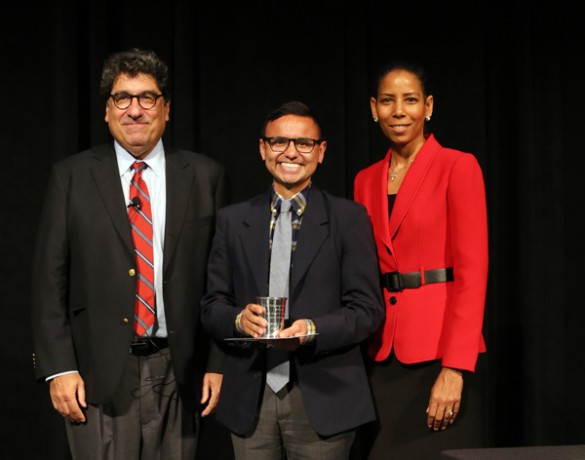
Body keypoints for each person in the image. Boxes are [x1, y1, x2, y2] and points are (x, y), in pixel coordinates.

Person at [30, 48, 228, 460]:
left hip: (181, 373)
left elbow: (221, 282)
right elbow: (49, 280)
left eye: (146, 98)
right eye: (122, 98)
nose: (134, 110)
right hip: (96, 374)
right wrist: (59, 368)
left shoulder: (205, 175)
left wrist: (218, 362)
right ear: (107, 111)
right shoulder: (71, 176)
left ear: (166, 109)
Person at [200, 100, 385, 459]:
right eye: (279, 142)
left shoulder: (348, 219)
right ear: (263, 148)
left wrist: (311, 330)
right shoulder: (232, 220)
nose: (291, 153)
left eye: (303, 144)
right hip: (251, 395)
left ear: (321, 152)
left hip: (323, 393)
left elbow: (367, 310)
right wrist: (239, 319)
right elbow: (212, 305)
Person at [353, 61, 489, 459]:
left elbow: (473, 271)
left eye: (410, 100)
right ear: (373, 108)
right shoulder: (365, 179)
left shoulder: (457, 166)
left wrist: (455, 367)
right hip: (382, 352)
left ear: (427, 107)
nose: (399, 111)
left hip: (439, 352)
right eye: (388, 101)